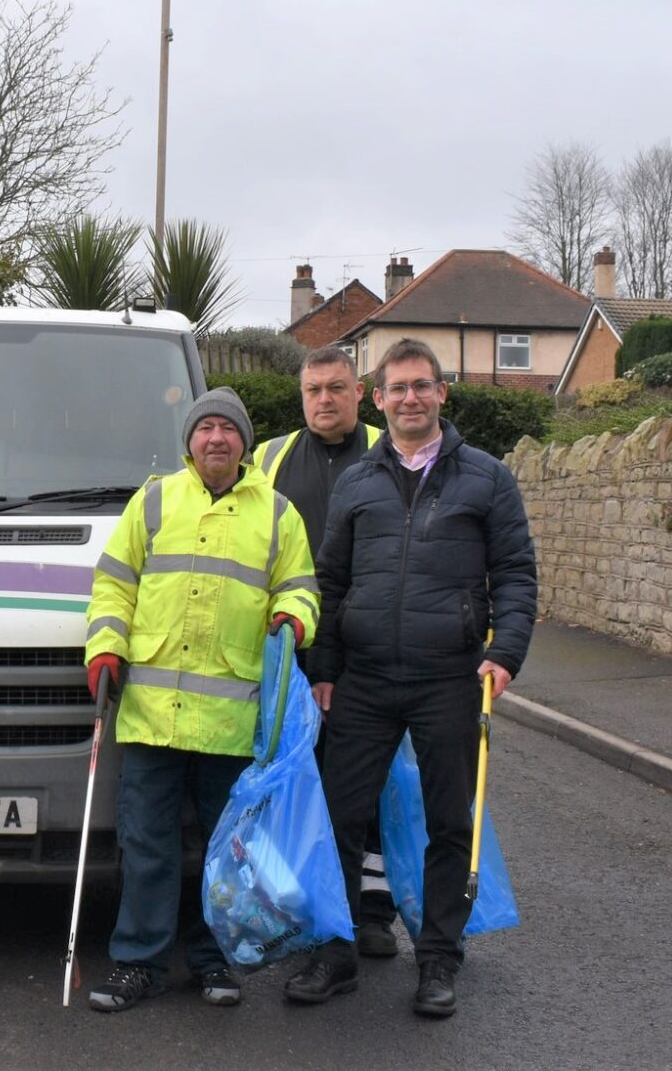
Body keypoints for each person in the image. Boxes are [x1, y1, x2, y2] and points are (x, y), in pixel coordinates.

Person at [285, 338, 536, 1019]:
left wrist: (505, 651)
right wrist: (326, 670)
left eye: (422, 386)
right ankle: (334, 953)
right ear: (380, 398)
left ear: (442, 393)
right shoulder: (357, 484)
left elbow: (515, 574)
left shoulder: (487, 478)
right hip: (364, 678)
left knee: (449, 823)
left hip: (448, 677)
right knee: (339, 816)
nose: (410, 399)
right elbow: (331, 583)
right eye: (397, 388)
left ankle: (437, 960)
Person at [82, 387, 319, 1014]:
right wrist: (103, 649)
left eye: (228, 429)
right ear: (190, 440)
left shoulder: (277, 513)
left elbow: (301, 588)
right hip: (150, 717)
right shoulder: (153, 500)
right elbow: (113, 584)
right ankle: (138, 964)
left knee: (225, 855)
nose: (216, 438)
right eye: (205, 427)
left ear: (244, 443)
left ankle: (216, 963)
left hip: (232, 720)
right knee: (148, 848)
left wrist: (294, 619)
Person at [255, 347, 398, 958]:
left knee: (374, 789)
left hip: (374, 650)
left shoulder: (388, 450)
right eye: (313, 390)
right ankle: (300, 902)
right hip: (295, 650)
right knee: (295, 779)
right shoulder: (270, 457)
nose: (323, 401)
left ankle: (372, 913)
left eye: (336, 388)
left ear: (360, 392)